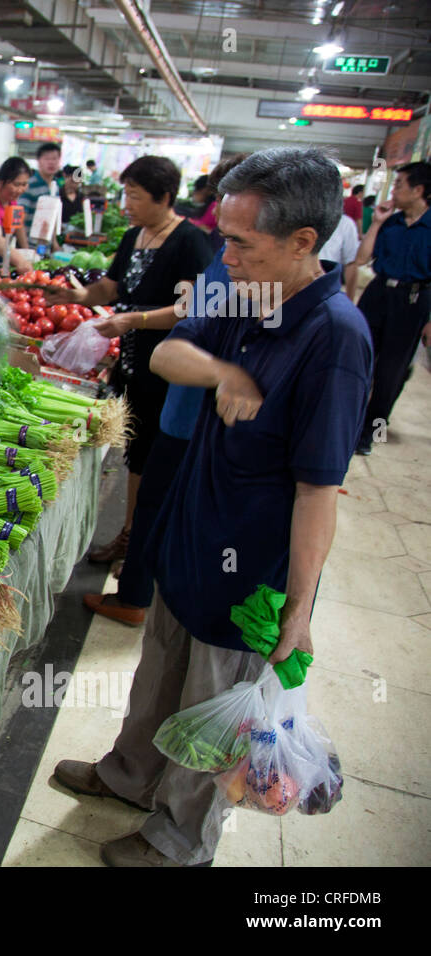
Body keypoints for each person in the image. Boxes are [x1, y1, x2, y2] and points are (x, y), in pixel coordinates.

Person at [57, 147, 372, 867]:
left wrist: (297, 609)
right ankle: (130, 776)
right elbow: (168, 355)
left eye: (241, 242)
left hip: (250, 569)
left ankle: (178, 839)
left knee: (212, 706)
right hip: (193, 535)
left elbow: (318, 493)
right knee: (160, 669)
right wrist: (222, 369)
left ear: (302, 243)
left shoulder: (334, 340)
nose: (224, 255)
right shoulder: (239, 292)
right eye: (223, 236)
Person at [84, 152, 248, 627]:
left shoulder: (214, 251)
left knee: (160, 494)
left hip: (189, 407)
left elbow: (192, 317)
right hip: (186, 400)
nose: (218, 217)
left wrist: (137, 320)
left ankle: (135, 594)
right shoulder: (228, 253)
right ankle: (143, 579)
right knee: (155, 482)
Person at [46, 156, 212, 566]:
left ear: (165, 197)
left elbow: (192, 307)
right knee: (134, 453)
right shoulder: (134, 236)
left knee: (148, 457)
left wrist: (136, 319)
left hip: (166, 368)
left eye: (135, 196)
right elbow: (110, 287)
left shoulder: (188, 242)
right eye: (126, 194)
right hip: (132, 363)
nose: (127, 204)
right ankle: (132, 539)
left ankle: (135, 546)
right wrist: (79, 298)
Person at [352, 160, 431, 455]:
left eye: (399, 185)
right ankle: (348, 423)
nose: (393, 190)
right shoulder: (390, 222)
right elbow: (361, 260)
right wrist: (376, 222)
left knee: (391, 374)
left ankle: (371, 434)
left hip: (413, 301)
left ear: (418, 189)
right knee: (360, 361)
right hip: (378, 295)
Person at [317, 191, 360, 301]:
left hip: (324, 289)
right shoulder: (288, 222)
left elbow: (351, 263)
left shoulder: (345, 224)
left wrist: (349, 301)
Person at [18, 142, 62, 232]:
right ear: (38, 161)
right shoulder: (29, 185)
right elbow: (20, 221)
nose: (51, 162)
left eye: (55, 158)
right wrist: (25, 245)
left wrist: (55, 244)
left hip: (46, 244)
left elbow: (52, 218)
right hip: (29, 243)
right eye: (47, 159)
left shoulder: (56, 185)